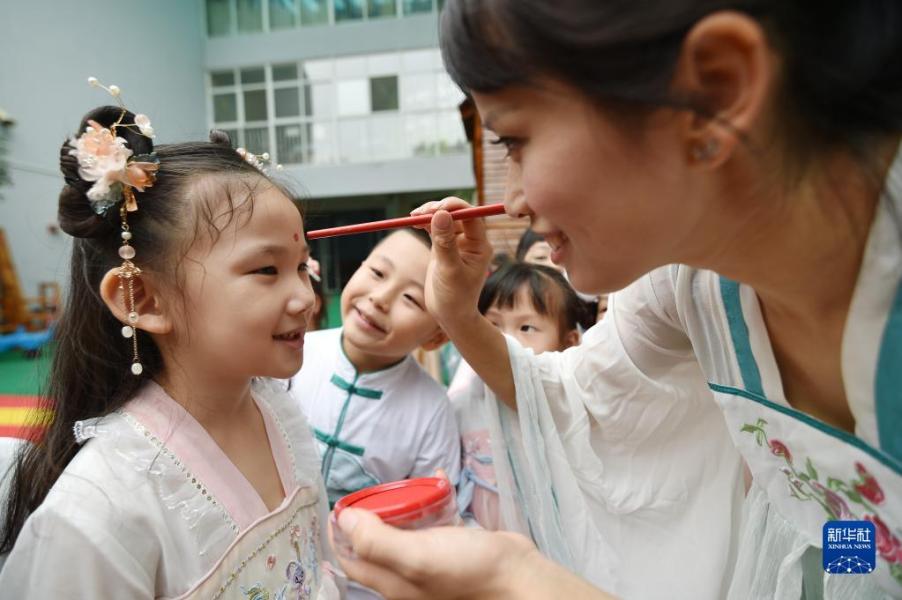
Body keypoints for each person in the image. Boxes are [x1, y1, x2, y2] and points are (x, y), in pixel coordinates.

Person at [331, 1, 902, 599]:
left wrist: (519, 583)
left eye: (516, 140)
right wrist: (454, 310)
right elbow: (569, 399)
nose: (515, 199)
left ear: (715, 90)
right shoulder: (691, 284)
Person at [0, 94, 341, 597]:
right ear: (142, 297)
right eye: (266, 270)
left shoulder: (276, 411)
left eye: (300, 266)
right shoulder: (97, 512)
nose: (305, 297)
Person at [452, 261, 582, 530]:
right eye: (492, 326)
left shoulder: (571, 406)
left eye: (526, 328)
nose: (504, 341)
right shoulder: (461, 406)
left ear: (569, 342)